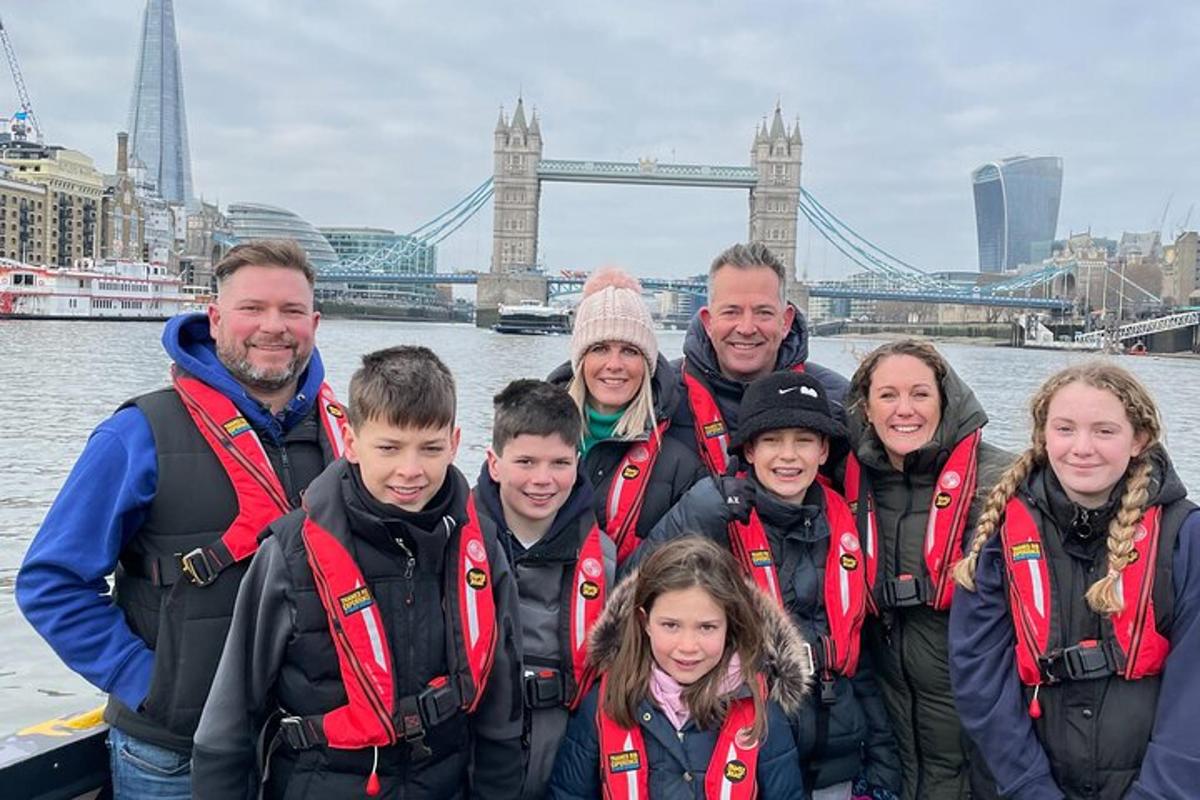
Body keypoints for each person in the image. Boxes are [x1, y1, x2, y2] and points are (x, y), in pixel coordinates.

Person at [16, 240, 346, 799]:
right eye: (252, 309)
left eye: (291, 311)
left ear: (314, 322)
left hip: (312, 746)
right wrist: (145, 682)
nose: (274, 327)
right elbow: (51, 583)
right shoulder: (140, 432)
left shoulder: (353, 435)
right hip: (172, 752)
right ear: (214, 319)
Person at [191, 346, 524, 799]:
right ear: (351, 442)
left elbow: (501, 706)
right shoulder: (289, 554)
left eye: (430, 448)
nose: (410, 470)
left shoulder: (481, 548)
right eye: (388, 448)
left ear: (455, 442)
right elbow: (229, 718)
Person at [640, 371, 901, 800]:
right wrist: (694, 515)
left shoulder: (844, 525)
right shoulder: (716, 519)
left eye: (803, 440)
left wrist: (883, 765)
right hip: (743, 755)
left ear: (823, 451)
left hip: (836, 759)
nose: (788, 456)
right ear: (749, 449)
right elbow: (634, 595)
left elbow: (861, 659)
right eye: (772, 440)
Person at [949, 362, 1200, 799]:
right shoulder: (999, 535)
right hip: (1023, 782)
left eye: (1104, 431)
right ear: (1044, 437)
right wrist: (1029, 786)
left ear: (1138, 440)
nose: (1082, 448)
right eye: (1065, 429)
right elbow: (979, 675)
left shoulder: (1185, 536)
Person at [842, 340, 1012, 800]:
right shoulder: (845, 481)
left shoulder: (1005, 480)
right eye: (888, 396)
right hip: (891, 744)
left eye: (920, 394)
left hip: (980, 740)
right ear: (866, 407)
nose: (904, 410)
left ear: (945, 400)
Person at [547, 536, 811, 799]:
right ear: (645, 621)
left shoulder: (760, 710)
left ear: (730, 624)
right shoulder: (605, 702)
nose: (687, 646)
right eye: (670, 625)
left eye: (706, 627)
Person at [472, 379, 617, 799]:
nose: (542, 479)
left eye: (558, 463)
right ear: (494, 463)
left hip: (564, 759)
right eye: (526, 462)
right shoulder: (454, 543)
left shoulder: (602, 559)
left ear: (578, 462)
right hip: (473, 757)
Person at [547, 267, 705, 564]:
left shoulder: (681, 466)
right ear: (580, 360)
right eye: (600, 348)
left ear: (647, 364)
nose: (614, 364)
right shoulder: (533, 435)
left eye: (630, 351)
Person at [674, 242, 849, 478]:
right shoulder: (661, 394)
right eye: (731, 312)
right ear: (708, 321)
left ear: (786, 321)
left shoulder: (838, 401)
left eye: (763, 312)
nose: (746, 328)